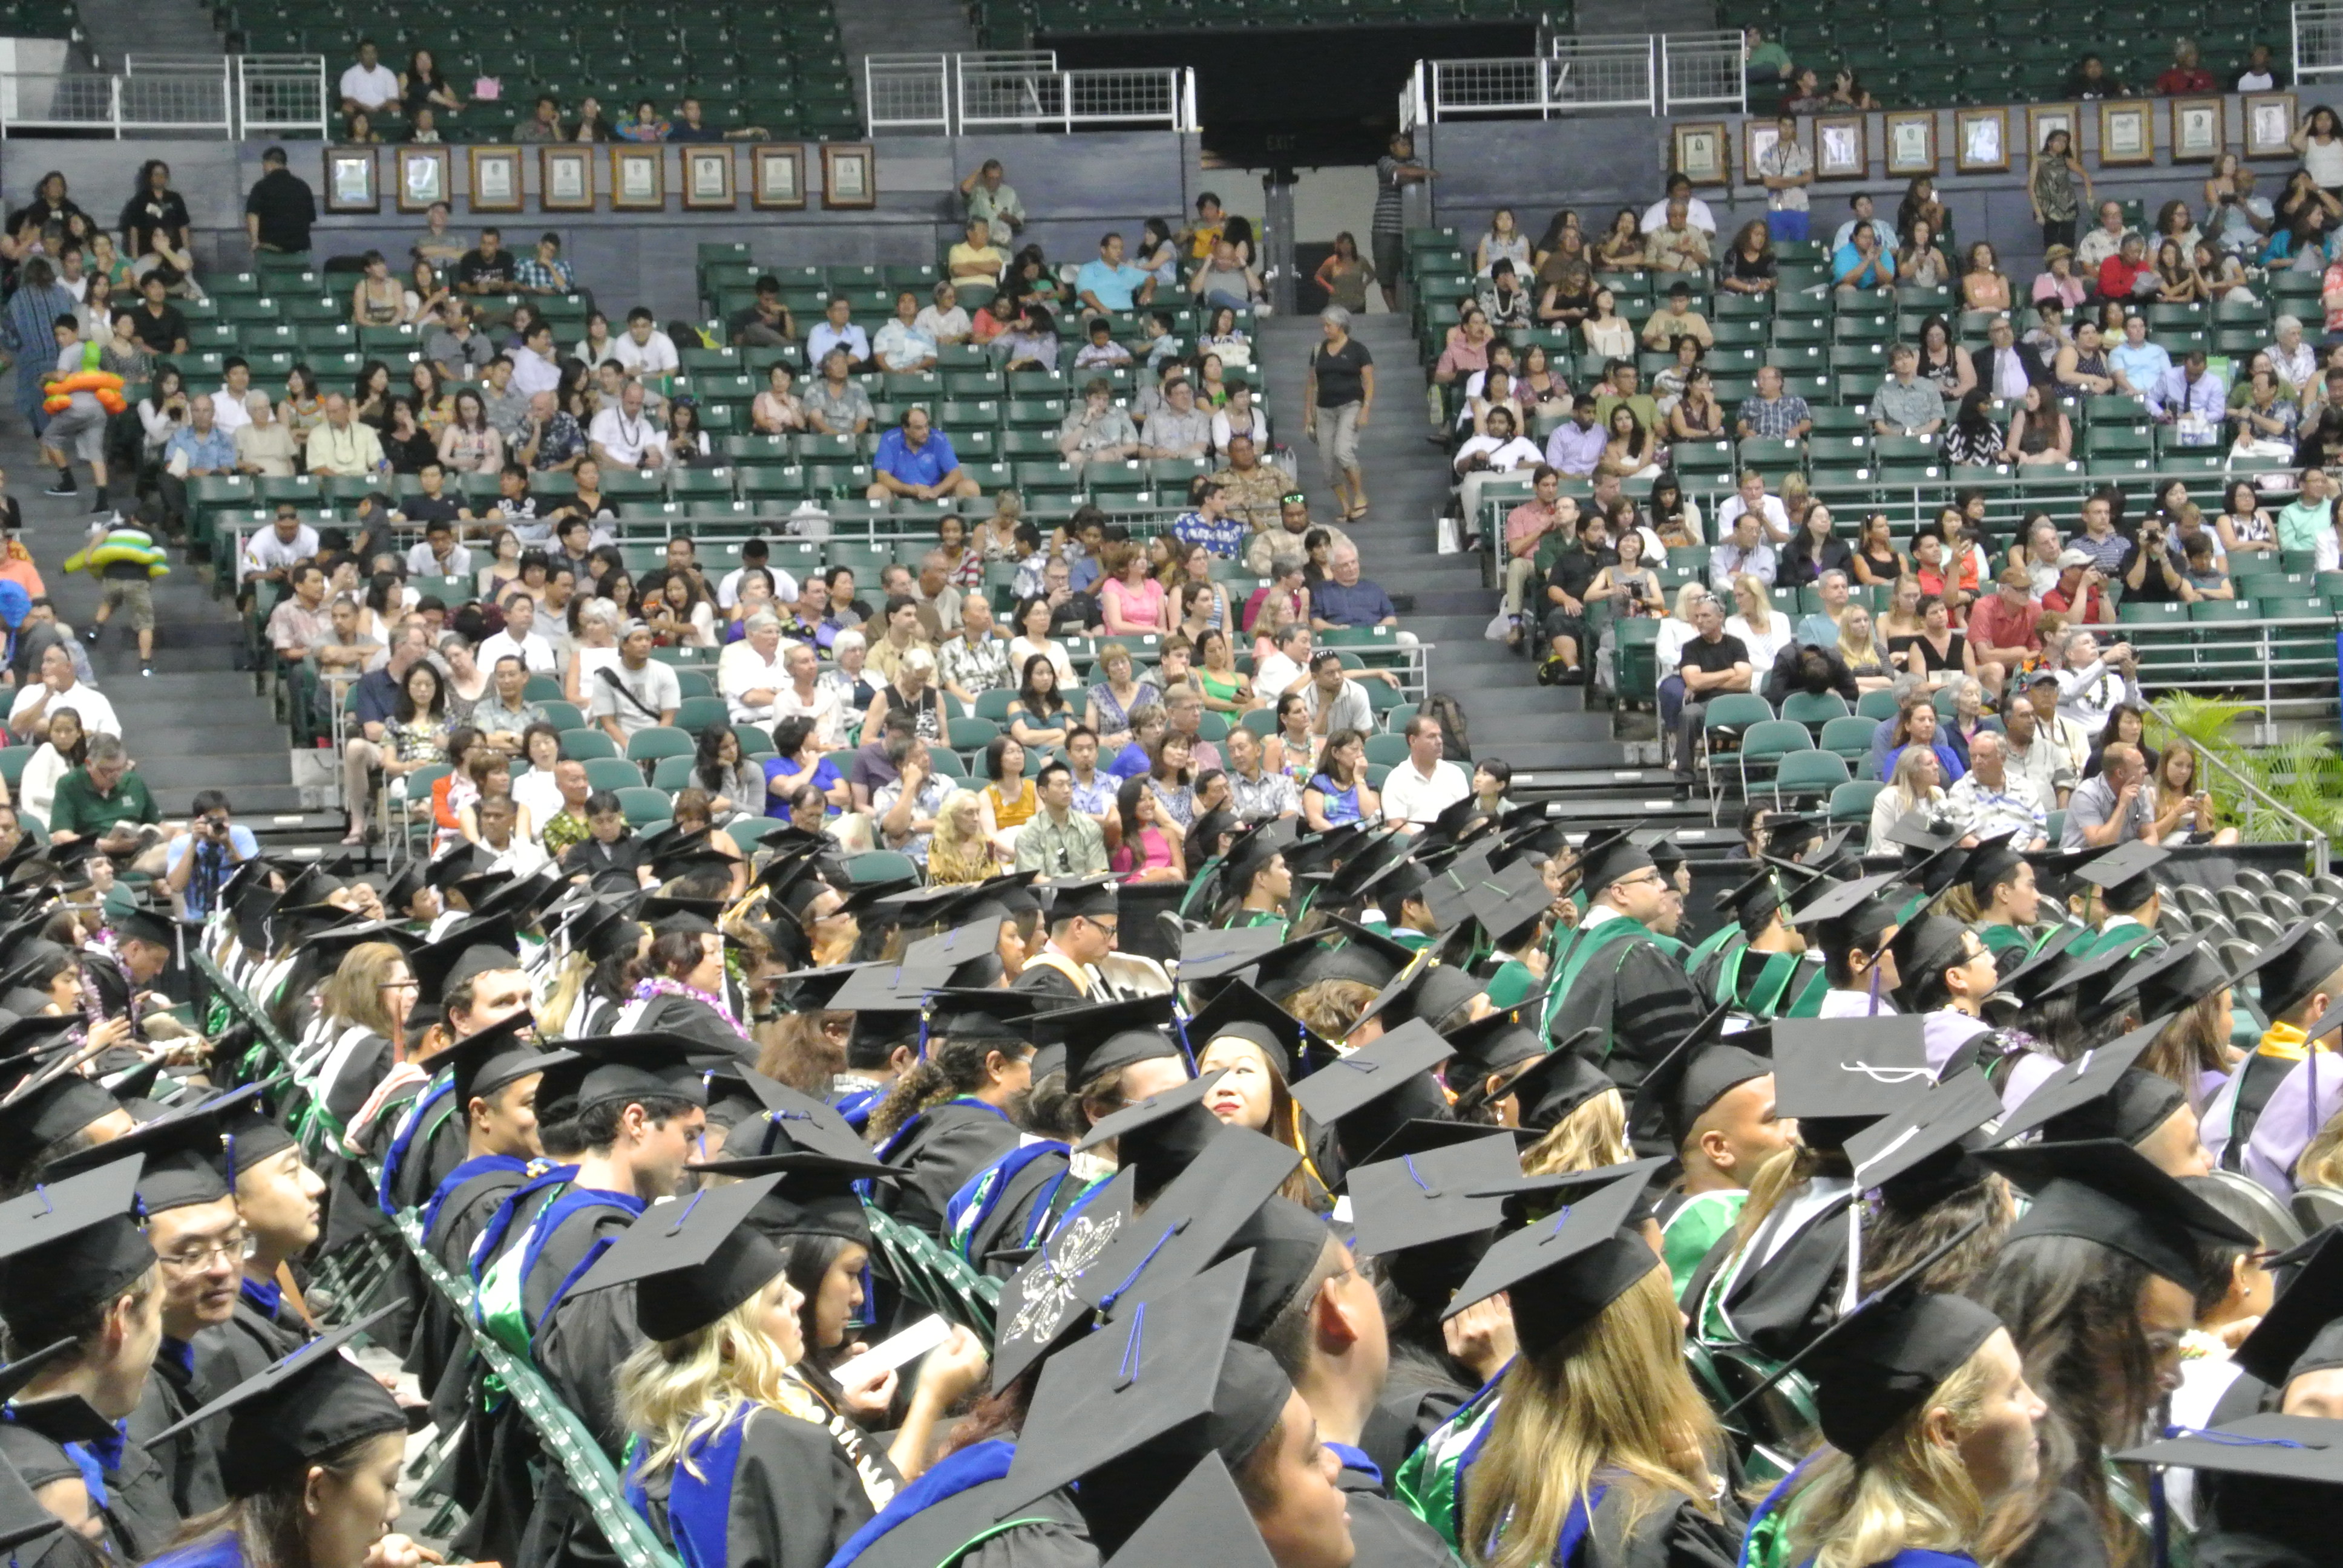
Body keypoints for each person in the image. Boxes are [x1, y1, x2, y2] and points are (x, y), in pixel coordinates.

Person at [1306, 306, 1375, 521]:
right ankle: (1345, 507)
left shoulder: (1358, 350)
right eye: (1324, 325)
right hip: (1324, 409)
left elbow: (1369, 381)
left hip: (1350, 405)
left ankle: (1360, 495)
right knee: (1328, 464)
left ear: (1341, 326)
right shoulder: (1318, 349)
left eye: (1329, 325)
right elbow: (1312, 384)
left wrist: (1365, 409)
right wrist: (1308, 414)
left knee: (1343, 451)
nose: (1325, 329)